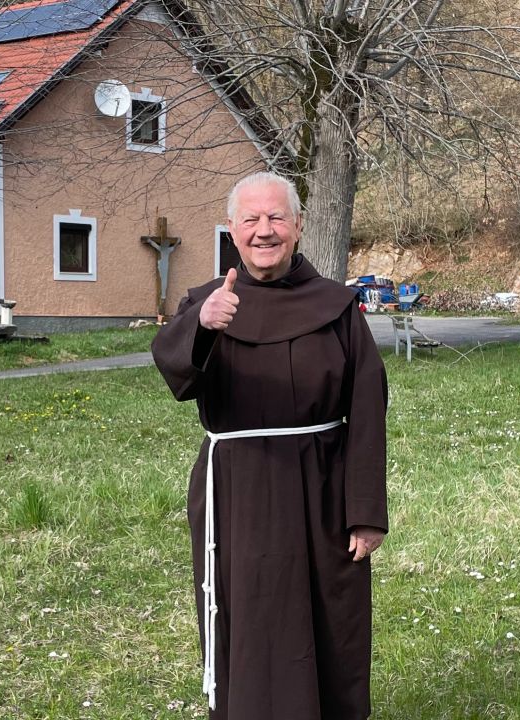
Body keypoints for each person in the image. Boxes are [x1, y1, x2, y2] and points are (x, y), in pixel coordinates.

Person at [151, 172, 389, 720]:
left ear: (298, 226)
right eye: (251, 219)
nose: (265, 230)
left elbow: (367, 408)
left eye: (277, 217)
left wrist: (366, 513)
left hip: (322, 490)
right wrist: (202, 327)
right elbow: (176, 377)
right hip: (238, 492)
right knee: (249, 615)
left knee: (330, 616)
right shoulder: (207, 302)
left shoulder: (336, 307)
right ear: (232, 229)